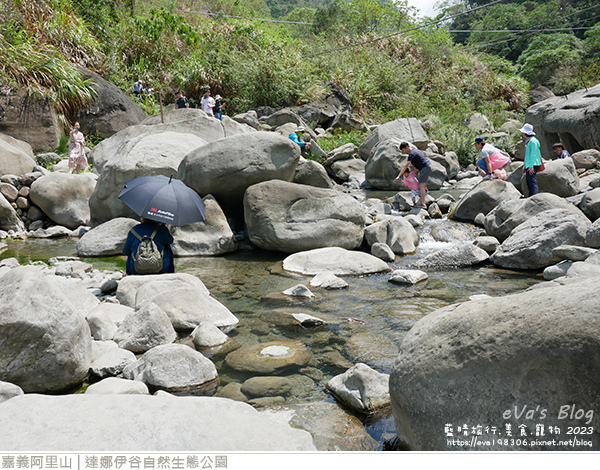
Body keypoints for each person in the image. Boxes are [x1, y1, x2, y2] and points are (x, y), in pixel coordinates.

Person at [394, 142, 432, 208]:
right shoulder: (415, 151)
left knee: (421, 184)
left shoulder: (411, 154)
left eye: (403, 150)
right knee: (421, 182)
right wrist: (417, 168)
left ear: (407, 148)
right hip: (426, 167)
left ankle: (423, 203)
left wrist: (398, 176)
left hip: (425, 167)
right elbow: (421, 159)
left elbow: (405, 166)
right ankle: (425, 192)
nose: (403, 152)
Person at [521, 123, 542, 197]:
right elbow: (527, 155)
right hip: (529, 164)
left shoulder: (533, 141)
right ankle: (531, 197)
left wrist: (531, 166)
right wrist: (525, 166)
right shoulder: (529, 141)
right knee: (529, 182)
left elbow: (533, 155)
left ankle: (535, 197)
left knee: (532, 182)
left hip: (533, 164)